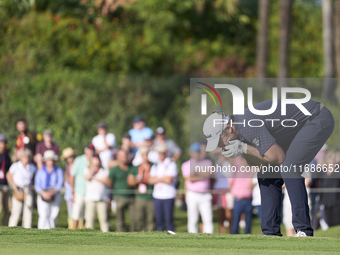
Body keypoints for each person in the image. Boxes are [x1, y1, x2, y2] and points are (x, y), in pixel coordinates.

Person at [203, 99, 334, 237]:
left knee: (289, 168)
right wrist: (243, 150)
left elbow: (278, 157)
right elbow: (259, 164)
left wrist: (244, 147)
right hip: (299, 126)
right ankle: (270, 233)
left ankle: (304, 230)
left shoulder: (247, 125)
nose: (220, 146)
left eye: (219, 140)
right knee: (265, 173)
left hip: (317, 117)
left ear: (228, 128)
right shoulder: (239, 133)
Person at [181, 142, 214, 234]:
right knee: (193, 219)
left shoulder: (207, 162)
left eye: (198, 151)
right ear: (190, 153)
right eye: (194, 152)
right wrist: (202, 174)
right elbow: (188, 178)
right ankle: (192, 238)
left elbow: (209, 174)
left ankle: (209, 238)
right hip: (192, 194)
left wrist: (196, 173)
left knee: (207, 218)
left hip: (205, 194)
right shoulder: (186, 164)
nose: (197, 154)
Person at [149, 145, 178, 232]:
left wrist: (157, 179)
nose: (161, 154)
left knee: (169, 220)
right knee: (159, 221)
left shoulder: (171, 164)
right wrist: (162, 178)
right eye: (159, 153)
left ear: (166, 153)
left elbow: (169, 180)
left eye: (162, 152)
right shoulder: (155, 165)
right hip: (157, 195)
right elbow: (150, 180)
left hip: (168, 195)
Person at [106, 149, 136, 232]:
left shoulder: (132, 167)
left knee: (134, 218)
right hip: (119, 197)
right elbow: (110, 183)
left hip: (131, 197)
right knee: (120, 219)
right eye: (121, 156)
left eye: (125, 155)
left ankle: (134, 234)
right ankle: (120, 235)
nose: (124, 158)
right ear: (118, 157)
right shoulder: (115, 170)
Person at [127, 146, 155, 231]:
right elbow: (129, 182)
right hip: (140, 197)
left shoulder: (154, 166)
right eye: (143, 154)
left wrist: (147, 179)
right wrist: (138, 180)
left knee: (151, 219)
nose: (145, 156)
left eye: (147, 154)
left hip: (151, 196)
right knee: (139, 219)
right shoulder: (136, 168)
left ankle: (151, 237)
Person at [6, 149, 36, 228]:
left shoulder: (32, 167)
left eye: (27, 156)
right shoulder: (16, 166)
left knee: (28, 211)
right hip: (18, 190)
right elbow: (8, 175)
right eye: (24, 156)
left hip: (28, 189)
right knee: (16, 211)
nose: (26, 158)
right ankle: (12, 228)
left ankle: (27, 228)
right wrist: (13, 184)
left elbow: (34, 177)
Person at [34, 150, 64, 229]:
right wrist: (43, 193)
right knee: (43, 215)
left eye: (51, 160)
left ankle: (52, 230)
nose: (50, 162)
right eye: (48, 160)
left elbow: (59, 184)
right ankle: (42, 231)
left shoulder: (58, 171)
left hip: (54, 194)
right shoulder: (40, 171)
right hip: (43, 194)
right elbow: (37, 185)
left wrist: (52, 193)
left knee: (53, 215)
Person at [70, 143, 94, 230]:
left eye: (92, 150)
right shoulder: (79, 160)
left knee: (86, 215)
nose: (90, 152)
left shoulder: (94, 161)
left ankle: (84, 232)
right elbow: (72, 176)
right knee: (76, 213)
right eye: (89, 150)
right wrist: (72, 192)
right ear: (85, 151)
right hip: (79, 191)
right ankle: (74, 231)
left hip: (90, 193)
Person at [84, 154, 109, 232]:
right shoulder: (87, 169)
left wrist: (94, 178)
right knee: (89, 220)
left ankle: (106, 236)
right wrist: (92, 169)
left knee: (103, 220)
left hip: (102, 198)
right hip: (90, 199)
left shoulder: (104, 170)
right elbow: (87, 177)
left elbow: (106, 181)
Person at [228, 156, 253, 234]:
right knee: (236, 220)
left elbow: (251, 184)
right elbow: (230, 184)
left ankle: (248, 235)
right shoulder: (236, 171)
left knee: (248, 221)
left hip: (248, 199)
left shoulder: (252, 171)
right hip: (238, 199)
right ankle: (234, 235)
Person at [213, 153, 233, 233]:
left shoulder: (229, 164)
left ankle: (231, 231)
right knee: (220, 213)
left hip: (227, 190)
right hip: (218, 190)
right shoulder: (216, 165)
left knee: (229, 213)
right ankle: (222, 232)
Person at [61, 147, 76, 229]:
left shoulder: (76, 165)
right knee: (70, 213)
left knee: (77, 213)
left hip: (76, 191)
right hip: (69, 192)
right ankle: (71, 228)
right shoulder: (67, 166)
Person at [0, 134, 11, 226]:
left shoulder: (6, 156)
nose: (2, 144)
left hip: (6, 185)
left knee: (9, 209)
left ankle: (5, 228)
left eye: (4, 142)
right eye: (1, 142)